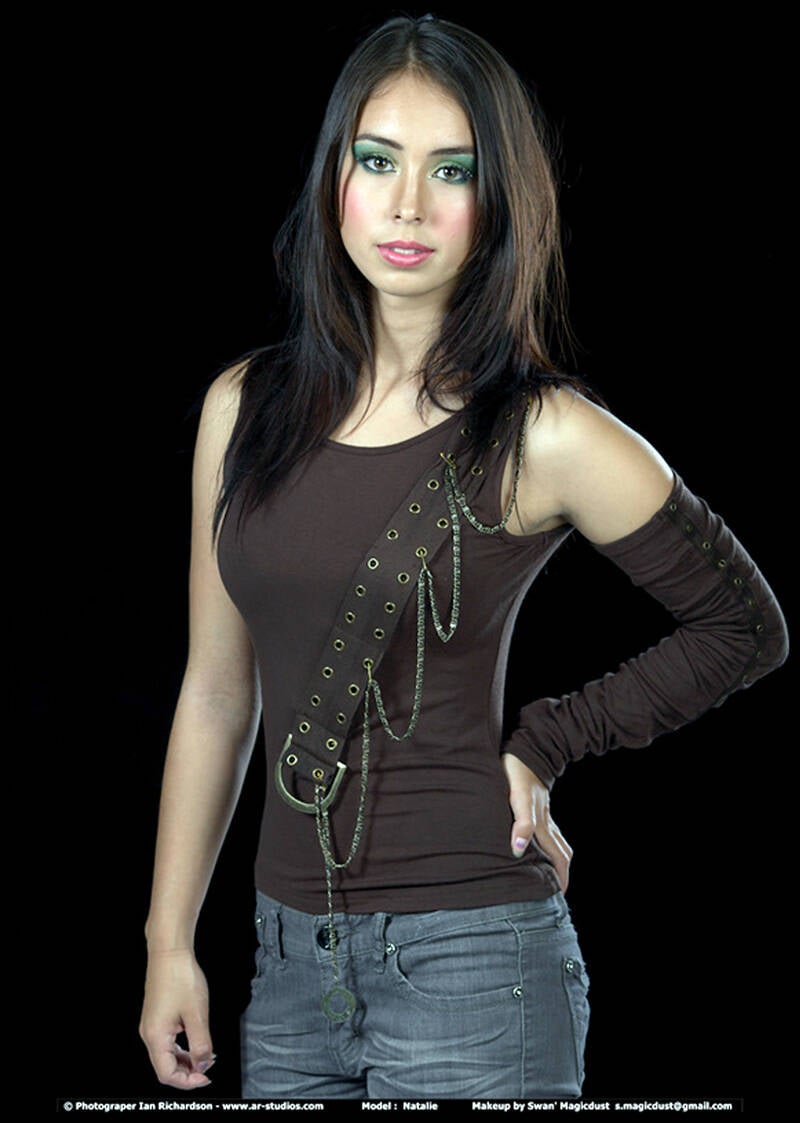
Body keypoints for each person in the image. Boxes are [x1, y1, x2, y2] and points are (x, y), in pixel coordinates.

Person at [139, 14, 788, 1101]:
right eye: (377, 161)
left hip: (473, 963)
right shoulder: (241, 408)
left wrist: (549, 739)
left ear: (498, 202)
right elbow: (215, 692)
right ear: (334, 177)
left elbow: (743, 626)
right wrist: (169, 943)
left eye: (453, 171)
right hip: (286, 969)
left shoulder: (544, 433)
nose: (407, 205)